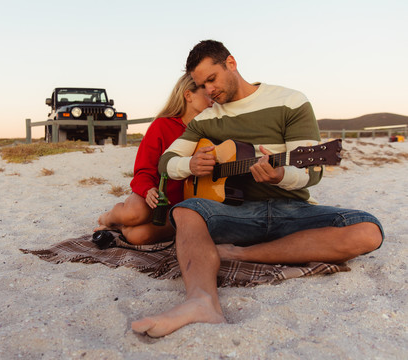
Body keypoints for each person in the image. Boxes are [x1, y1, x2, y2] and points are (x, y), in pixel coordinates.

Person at [131, 40, 384, 337]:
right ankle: (201, 301)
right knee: (187, 211)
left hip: (293, 210)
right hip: (234, 214)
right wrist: (191, 166)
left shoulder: (290, 101)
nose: (209, 91)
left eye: (212, 79)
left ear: (231, 63)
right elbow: (166, 162)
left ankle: (240, 254)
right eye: (202, 85)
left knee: (368, 231)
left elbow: (311, 172)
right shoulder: (206, 119)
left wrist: (280, 176)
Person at [95, 73, 214, 245]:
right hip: (152, 196)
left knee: (138, 237)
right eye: (208, 95)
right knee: (135, 213)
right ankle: (109, 218)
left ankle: (122, 228)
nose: (213, 100)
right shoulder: (162, 126)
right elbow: (143, 169)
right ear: (188, 95)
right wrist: (148, 190)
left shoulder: (212, 129)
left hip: (181, 205)